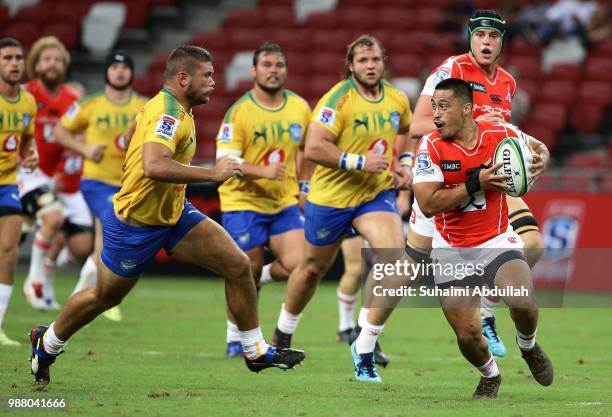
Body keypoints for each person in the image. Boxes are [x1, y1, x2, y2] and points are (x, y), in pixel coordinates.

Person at [28, 45, 305, 385]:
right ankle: (47, 343)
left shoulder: (168, 107)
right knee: (104, 296)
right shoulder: (168, 114)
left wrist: (134, 138)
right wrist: (212, 173)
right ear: (183, 78)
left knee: (238, 265)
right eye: (207, 75)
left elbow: (134, 133)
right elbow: (154, 164)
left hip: (174, 214)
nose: (214, 82)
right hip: (136, 225)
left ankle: (255, 349)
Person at [269, 35, 413, 383]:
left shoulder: (396, 98)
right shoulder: (337, 100)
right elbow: (316, 147)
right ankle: (282, 335)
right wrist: (360, 161)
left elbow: (405, 130)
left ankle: (364, 341)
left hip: (373, 196)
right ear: (350, 65)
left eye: (375, 59)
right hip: (330, 199)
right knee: (312, 269)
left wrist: (405, 161)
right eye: (362, 60)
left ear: (383, 61)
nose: (370, 65)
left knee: (396, 262)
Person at [407, 10, 544, 357]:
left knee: (534, 245)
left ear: (502, 42)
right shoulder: (449, 72)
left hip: (491, 180)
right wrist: (477, 118)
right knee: (408, 266)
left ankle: (488, 307)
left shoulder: (508, 83)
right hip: (451, 178)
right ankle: (364, 339)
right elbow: (418, 125)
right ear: (470, 38)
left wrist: (531, 147)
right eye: (480, 34)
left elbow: (503, 136)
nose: (486, 41)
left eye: (494, 36)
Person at [411, 77, 553, 398]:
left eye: (443, 106)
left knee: (523, 302)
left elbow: (535, 147)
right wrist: (478, 183)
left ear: (466, 109)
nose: (435, 114)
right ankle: (490, 373)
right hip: (451, 249)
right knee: (468, 334)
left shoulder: (499, 132)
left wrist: (540, 156)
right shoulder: (430, 146)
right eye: (433, 106)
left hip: (497, 239)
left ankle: (528, 347)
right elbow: (428, 203)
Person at [215, 42, 311, 358]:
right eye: (267, 65)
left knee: (301, 264)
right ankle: (234, 335)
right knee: (245, 268)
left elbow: (306, 152)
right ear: (254, 71)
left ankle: (266, 276)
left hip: (282, 201)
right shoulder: (239, 112)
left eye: (279, 65)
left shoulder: (299, 107)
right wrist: (263, 171)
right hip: (242, 201)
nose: (273, 70)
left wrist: (303, 188)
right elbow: (226, 162)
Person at [53, 51, 148, 321]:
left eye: (124, 66)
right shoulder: (90, 103)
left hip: (130, 185)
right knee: (113, 227)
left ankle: (97, 294)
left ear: (131, 72)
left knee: (102, 243)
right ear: (107, 71)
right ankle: (95, 293)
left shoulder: (144, 106)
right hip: (96, 182)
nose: (120, 71)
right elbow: (60, 131)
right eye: (115, 66)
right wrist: (83, 148)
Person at [19, 36, 93, 310]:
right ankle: (34, 280)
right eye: (47, 59)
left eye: (58, 60)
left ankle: (42, 273)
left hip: (60, 179)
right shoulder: (25, 94)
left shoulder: (72, 101)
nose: (53, 64)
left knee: (83, 246)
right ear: (36, 64)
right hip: (28, 173)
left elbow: (78, 138)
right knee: (50, 218)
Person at [0, 38, 39, 345]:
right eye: (7, 58)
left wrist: (31, 152)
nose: (14, 63)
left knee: (9, 249)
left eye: (18, 57)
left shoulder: (27, 101)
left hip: (7, 183)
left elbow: (26, 139)